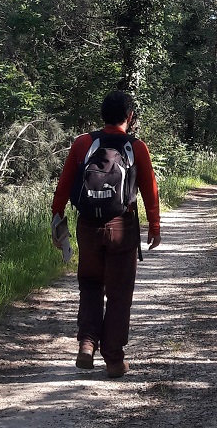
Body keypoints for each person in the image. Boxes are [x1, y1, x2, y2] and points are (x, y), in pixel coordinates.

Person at [51, 90, 161, 379]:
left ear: (102, 115)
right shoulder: (137, 147)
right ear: (130, 117)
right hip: (122, 227)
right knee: (119, 293)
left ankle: (87, 344)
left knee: (89, 284)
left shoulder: (83, 143)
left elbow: (64, 186)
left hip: (87, 226)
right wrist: (155, 225)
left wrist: (57, 218)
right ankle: (113, 360)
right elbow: (150, 189)